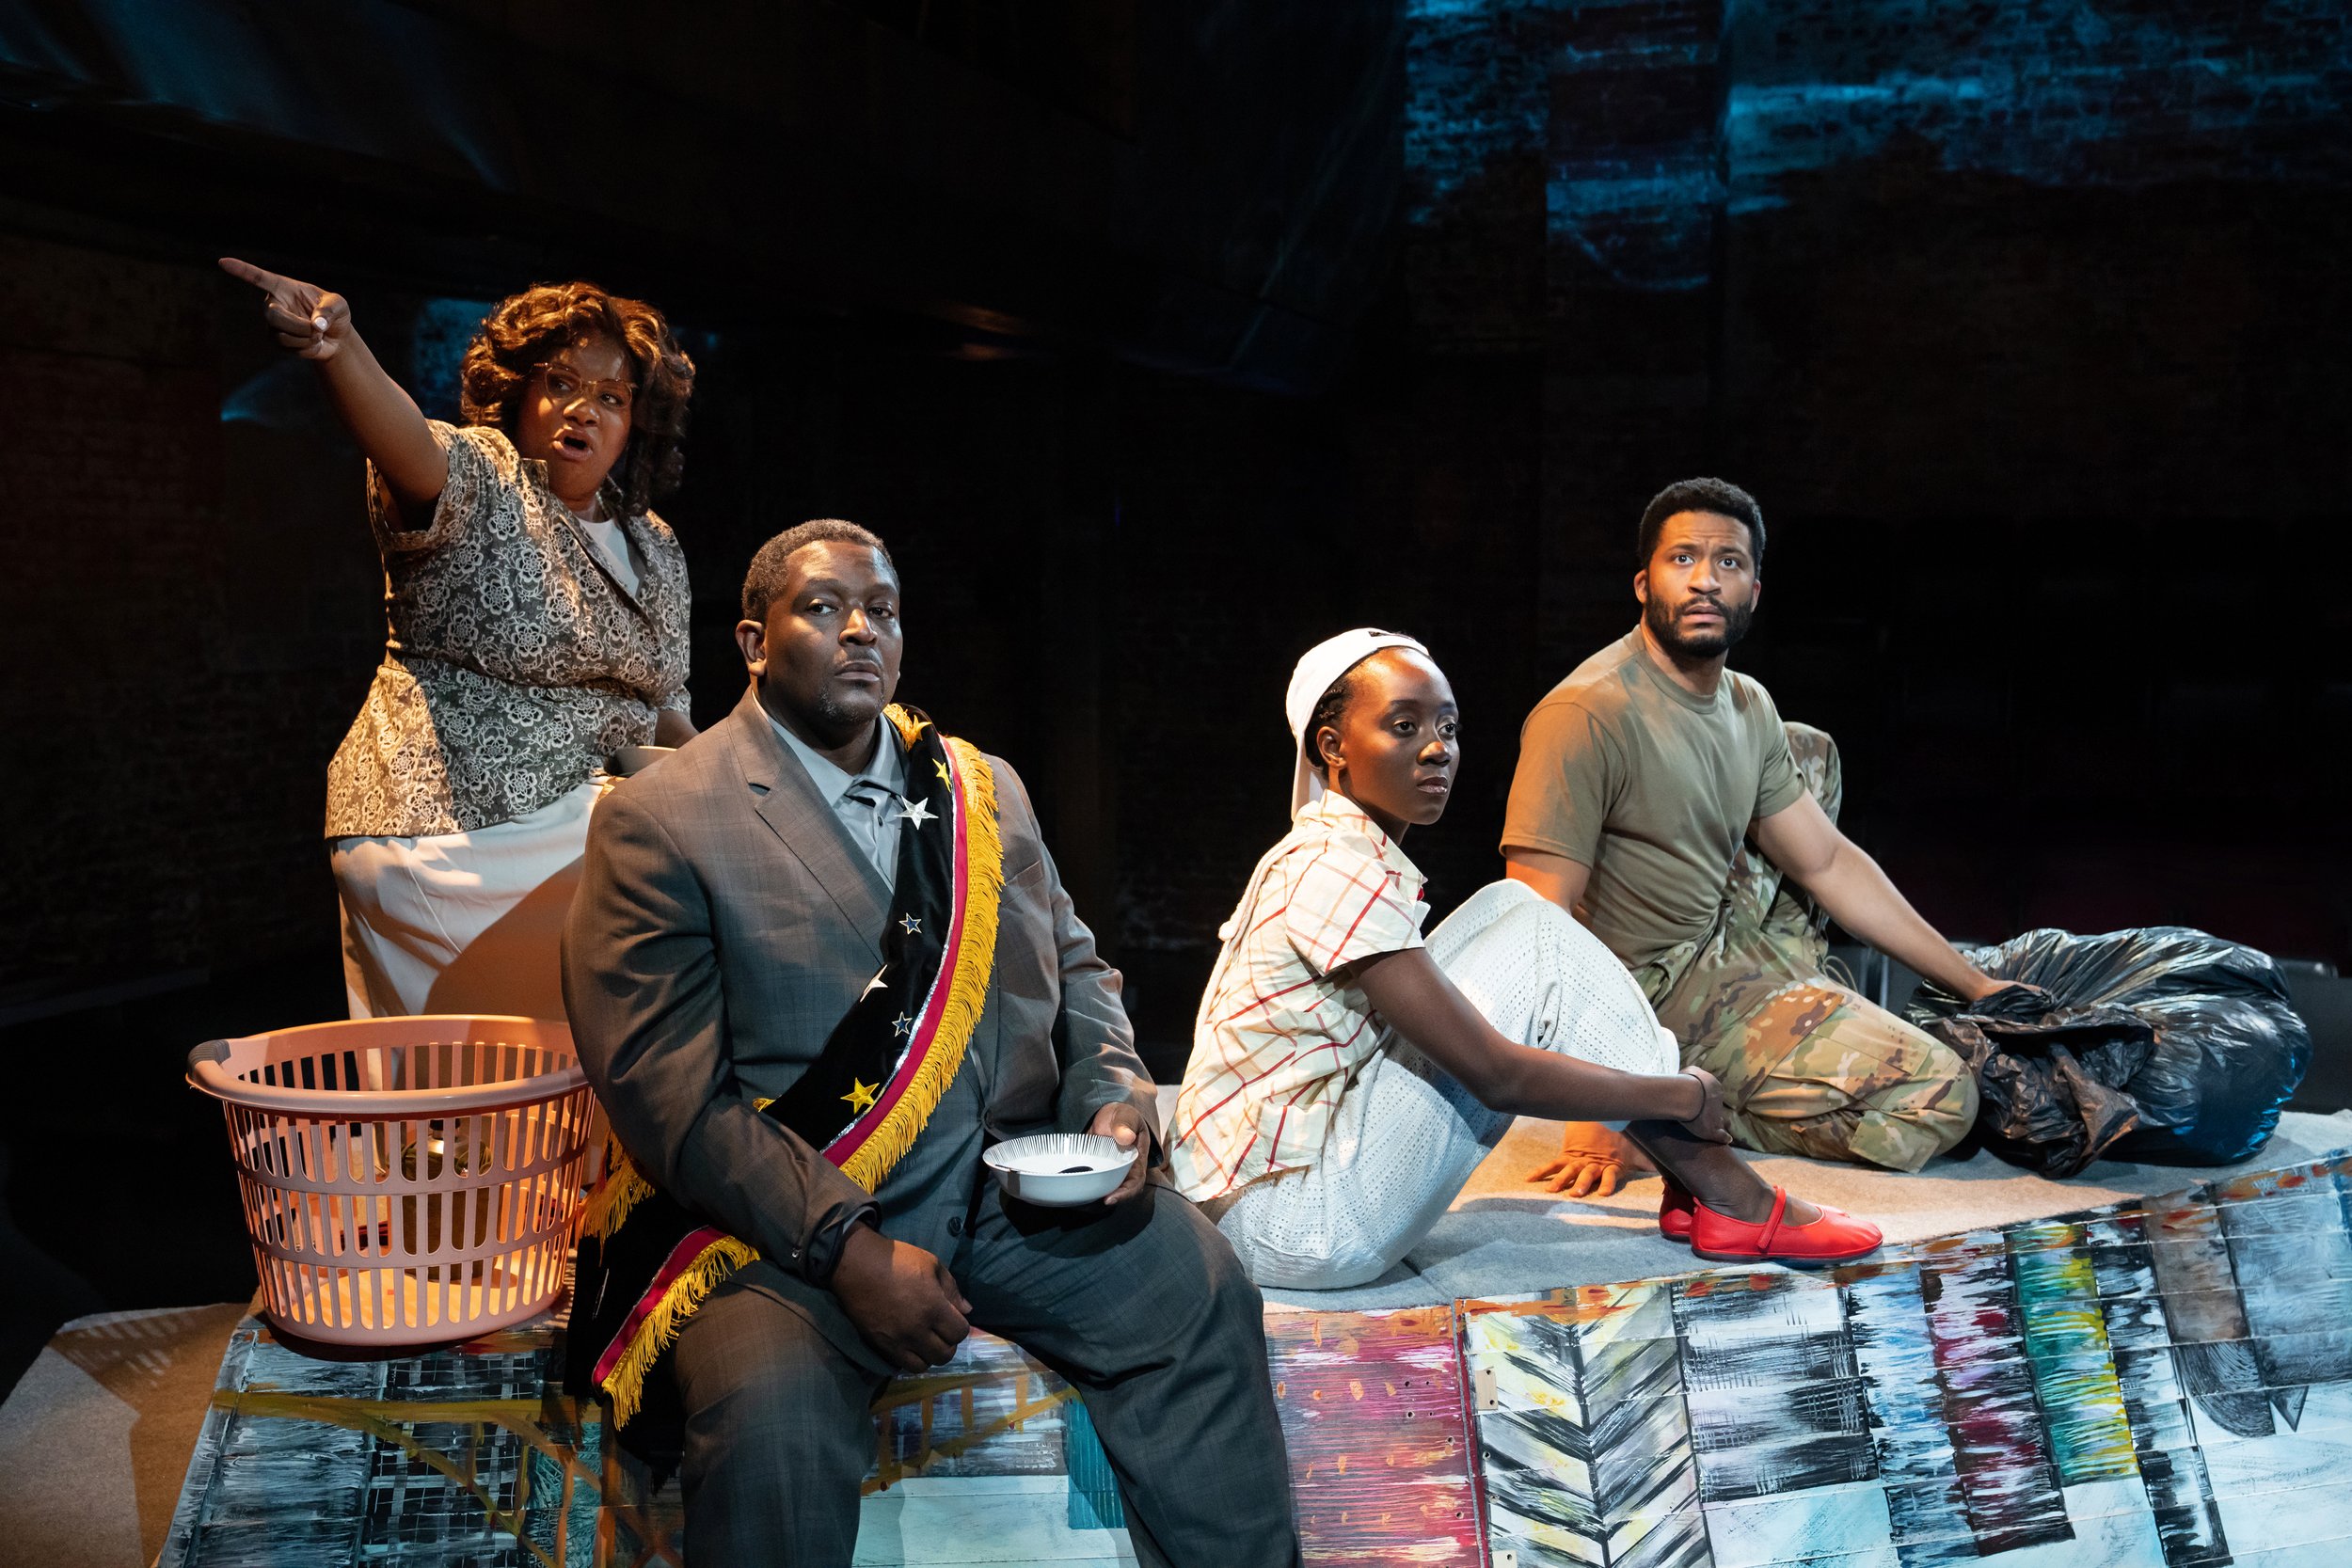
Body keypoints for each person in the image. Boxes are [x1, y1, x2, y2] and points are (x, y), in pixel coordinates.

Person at [562, 520, 1299, 1566]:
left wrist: (1114, 1091)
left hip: (1009, 1204)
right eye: (823, 607)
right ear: (753, 640)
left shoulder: (977, 788)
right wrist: (846, 1248)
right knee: (767, 1419)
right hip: (787, 1233)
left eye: (883, 611)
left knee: (1199, 1283)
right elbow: (669, 1097)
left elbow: (1079, 969)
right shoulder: (665, 817)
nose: (861, 629)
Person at [1168, 628, 1880, 1291]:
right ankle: (1728, 1189)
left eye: (1448, 726)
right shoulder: (1335, 868)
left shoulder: (1338, 851)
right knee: (1534, 948)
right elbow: (1496, 1074)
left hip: (1276, 1186)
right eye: (1404, 725)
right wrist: (1681, 1095)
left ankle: (1701, 1181)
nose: (1437, 748)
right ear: (1333, 745)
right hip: (1291, 1225)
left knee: (1517, 909)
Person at [1504, 477, 2027, 1196]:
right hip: (1650, 1000)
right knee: (1944, 1097)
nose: (1704, 581)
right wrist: (1607, 1107)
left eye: (1727, 563)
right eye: (1681, 558)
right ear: (1641, 582)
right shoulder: (1586, 714)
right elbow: (1537, 928)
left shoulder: (1747, 704)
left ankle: (1788, 996)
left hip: (1727, 943)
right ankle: (1678, 1107)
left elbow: (1829, 861)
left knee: (1809, 750)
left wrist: (1974, 984)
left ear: (1753, 588)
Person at [220, 257, 697, 1020]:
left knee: (709, 863)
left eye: (611, 396)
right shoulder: (483, 475)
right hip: (447, 827)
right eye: (562, 383)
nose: (584, 410)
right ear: (521, 391)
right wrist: (340, 349)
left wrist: (746, 789)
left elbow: (664, 708)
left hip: (575, 822)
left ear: (636, 421)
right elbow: (405, 441)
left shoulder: (655, 545)